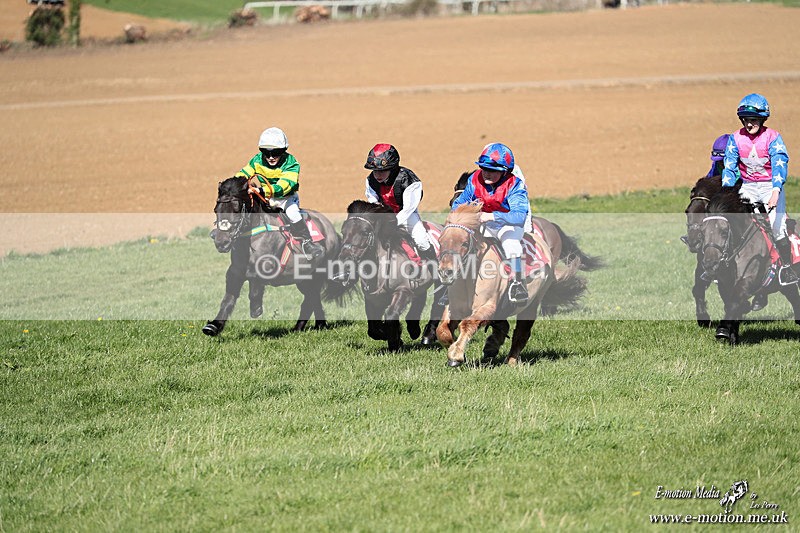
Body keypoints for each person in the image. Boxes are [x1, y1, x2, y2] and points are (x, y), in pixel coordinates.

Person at [722, 93, 797, 288]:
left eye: (753, 120)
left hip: (770, 186)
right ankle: (722, 266)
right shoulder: (735, 139)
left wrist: (775, 192)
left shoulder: (773, 137)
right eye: (746, 120)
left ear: (762, 119)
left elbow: (780, 165)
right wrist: (726, 194)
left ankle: (787, 268)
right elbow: (729, 168)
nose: (749, 124)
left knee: (776, 227)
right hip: (747, 187)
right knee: (731, 222)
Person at [451, 142, 531, 303]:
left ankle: (517, 284)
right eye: (484, 168)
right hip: (483, 225)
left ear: (505, 171)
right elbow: (458, 203)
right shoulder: (475, 179)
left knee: (510, 244)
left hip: (508, 226)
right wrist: (466, 214)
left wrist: (492, 216)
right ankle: (452, 283)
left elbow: (519, 217)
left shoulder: (515, 185)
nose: (487, 173)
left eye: (493, 170)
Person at [236, 127, 324, 259]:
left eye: (276, 153)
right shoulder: (257, 160)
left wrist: (262, 190)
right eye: (266, 153)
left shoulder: (291, 163)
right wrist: (234, 184)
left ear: (283, 151)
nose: (271, 157)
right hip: (264, 198)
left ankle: (307, 242)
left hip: (286, 199)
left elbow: (285, 185)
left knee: (293, 214)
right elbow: (244, 174)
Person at [364, 143, 437, 263]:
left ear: (392, 168)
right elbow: (373, 200)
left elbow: (408, 208)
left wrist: (391, 223)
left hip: (407, 215)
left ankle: (434, 268)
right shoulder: (370, 180)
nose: (377, 175)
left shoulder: (409, 180)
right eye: (375, 171)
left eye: (382, 171)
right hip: (384, 214)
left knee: (421, 241)